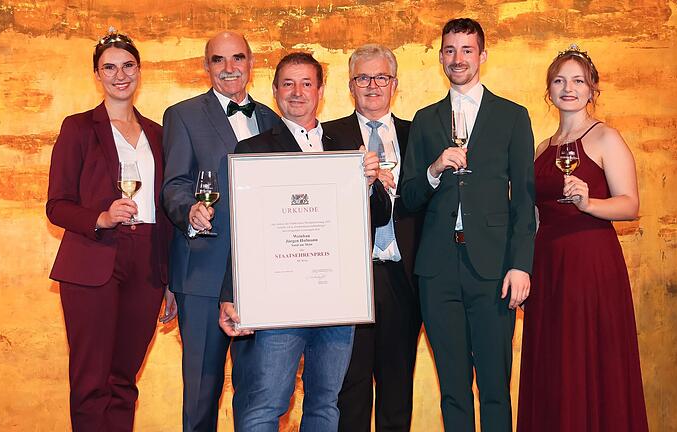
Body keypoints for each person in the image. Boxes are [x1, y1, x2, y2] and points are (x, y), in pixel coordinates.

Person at [217, 52, 391, 431]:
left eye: (307, 83)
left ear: (321, 91)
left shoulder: (347, 145)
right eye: (288, 84)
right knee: (267, 404)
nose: (297, 92)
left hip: (336, 299)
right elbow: (239, 231)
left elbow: (378, 217)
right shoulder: (253, 151)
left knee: (326, 403)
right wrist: (231, 294)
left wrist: (371, 181)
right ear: (276, 91)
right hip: (276, 301)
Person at [399, 18, 536, 431]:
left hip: (494, 268)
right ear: (440, 56)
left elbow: (525, 198)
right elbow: (408, 196)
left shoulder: (512, 116)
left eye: (466, 50)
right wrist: (435, 168)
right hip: (438, 270)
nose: (457, 59)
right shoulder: (424, 119)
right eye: (449, 50)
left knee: (495, 385)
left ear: (483, 56)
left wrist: (521, 264)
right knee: (452, 389)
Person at [46, 28, 177, 431]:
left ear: (139, 71)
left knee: (125, 379)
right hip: (94, 258)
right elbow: (57, 205)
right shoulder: (79, 128)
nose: (120, 75)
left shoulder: (159, 133)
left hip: (149, 260)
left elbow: (169, 207)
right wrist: (100, 217)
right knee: (91, 382)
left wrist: (171, 280)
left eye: (128, 66)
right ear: (97, 75)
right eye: (110, 68)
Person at [517, 44, 649, 431]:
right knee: (555, 362)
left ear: (593, 89)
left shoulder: (607, 137)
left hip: (590, 265)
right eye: (559, 80)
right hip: (548, 269)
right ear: (549, 91)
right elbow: (534, 215)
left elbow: (630, 205)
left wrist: (590, 203)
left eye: (578, 80)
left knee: (588, 359)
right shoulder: (542, 147)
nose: (568, 87)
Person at [161, 31, 280, 431]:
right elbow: (173, 184)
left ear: (251, 63)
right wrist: (189, 210)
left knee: (259, 393)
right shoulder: (182, 114)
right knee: (201, 393)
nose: (229, 68)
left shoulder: (271, 118)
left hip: (261, 276)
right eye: (218, 60)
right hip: (204, 274)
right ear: (206, 65)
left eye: (238, 59)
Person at [323, 44, 423, 432]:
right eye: (363, 77)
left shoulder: (419, 134)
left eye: (381, 77)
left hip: (404, 277)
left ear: (394, 84)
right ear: (350, 85)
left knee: (398, 389)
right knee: (350, 388)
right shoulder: (327, 136)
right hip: (351, 279)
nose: (372, 85)